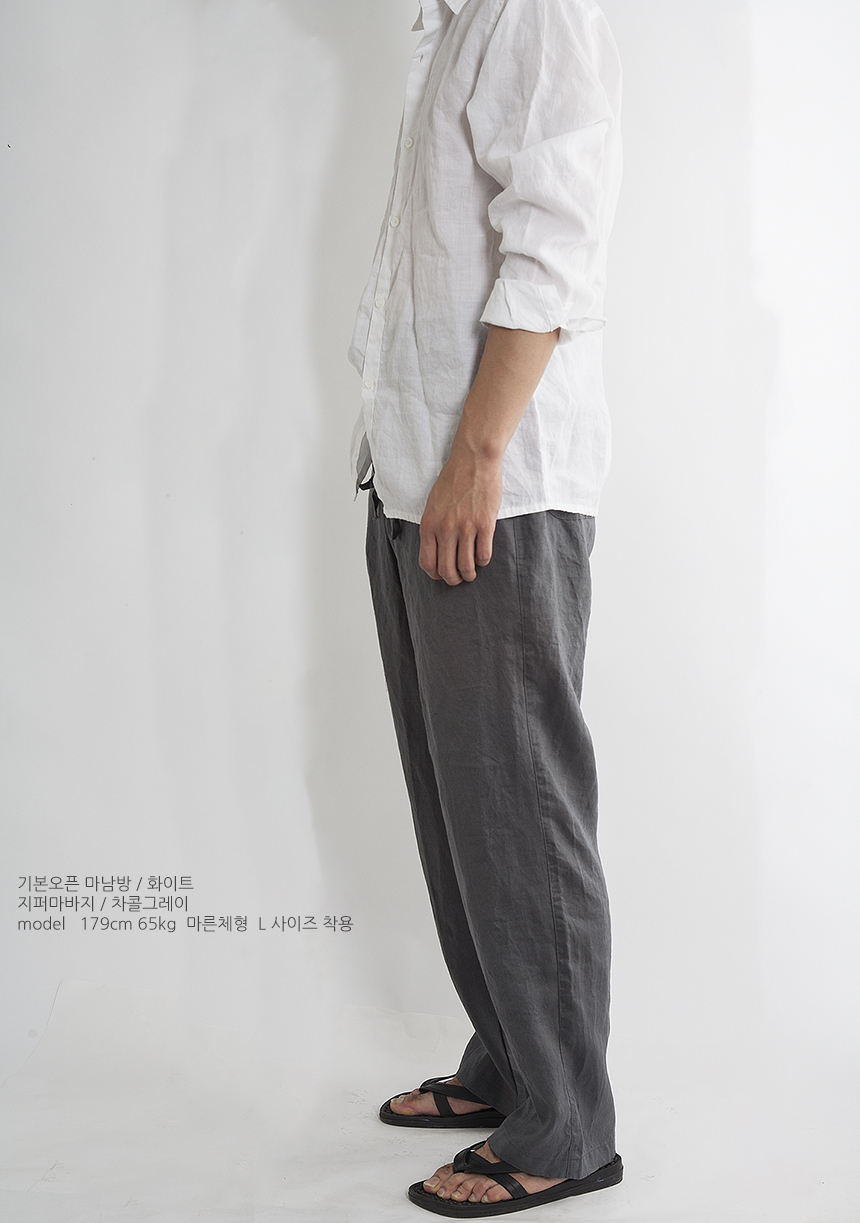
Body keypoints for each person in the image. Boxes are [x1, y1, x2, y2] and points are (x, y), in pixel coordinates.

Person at [348, 0, 623, 1214]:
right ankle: (509, 1061)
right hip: (418, 470)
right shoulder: (446, 23)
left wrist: (475, 453)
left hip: (492, 484)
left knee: (519, 804)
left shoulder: (532, 9)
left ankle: (565, 1126)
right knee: (461, 802)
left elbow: (556, 243)